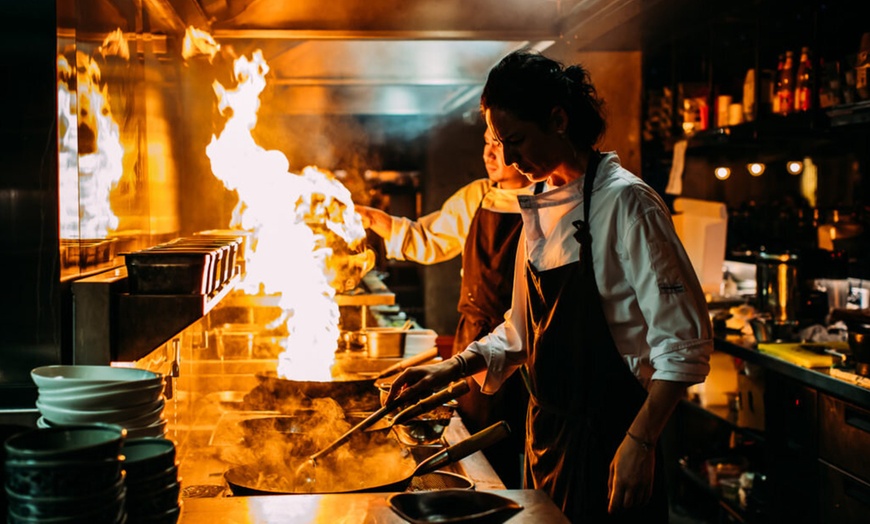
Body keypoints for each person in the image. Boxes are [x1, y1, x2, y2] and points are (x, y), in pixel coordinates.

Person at [385, 50, 713, 522]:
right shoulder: (539, 203)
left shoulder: (628, 204)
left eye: (516, 140)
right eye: (501, 143)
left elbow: (684, 345)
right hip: (548, 439)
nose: (511, 159)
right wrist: (447, 371)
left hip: (612, 440)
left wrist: (641, 442)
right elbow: (518, 332)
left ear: (558, 120)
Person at [356, 127, 533, 488]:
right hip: (476, 341)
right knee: (484, 451)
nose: (489, 154)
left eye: (499, 144)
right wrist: (376, 220)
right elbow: (429, 237)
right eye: (486, 144)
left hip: (533, 345)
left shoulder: (551, 199)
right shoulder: (478, 196)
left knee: (532, 445)